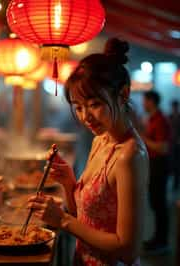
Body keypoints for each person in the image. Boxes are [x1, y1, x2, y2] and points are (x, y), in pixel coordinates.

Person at [28, 38, 149, 266]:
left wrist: (63, 220)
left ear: (123, 94)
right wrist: (68, 181)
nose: (85, 117)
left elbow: (127, 249)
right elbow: (85, 216)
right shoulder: (101, 140)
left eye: (94, 105)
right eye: (79, 107)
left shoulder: (130, 155)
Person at [141, 90, 172, 253]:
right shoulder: (153, 119)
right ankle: (158, 238)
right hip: (155, 165)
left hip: (160, 165)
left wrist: (144, 139)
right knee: (155, 203)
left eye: (145, 101)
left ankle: (162, 241)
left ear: (151, 101)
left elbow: (163, 147)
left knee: (159, 204)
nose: (143, 104)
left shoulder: (161, 120)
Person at [169, 100, 180, 191]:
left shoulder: (178, 117)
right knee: (173, 162)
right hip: (172, 143)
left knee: (177, 163)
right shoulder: (170, 117)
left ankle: (176, 183)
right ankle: (174, 183)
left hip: (177, 143)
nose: (174, 109)